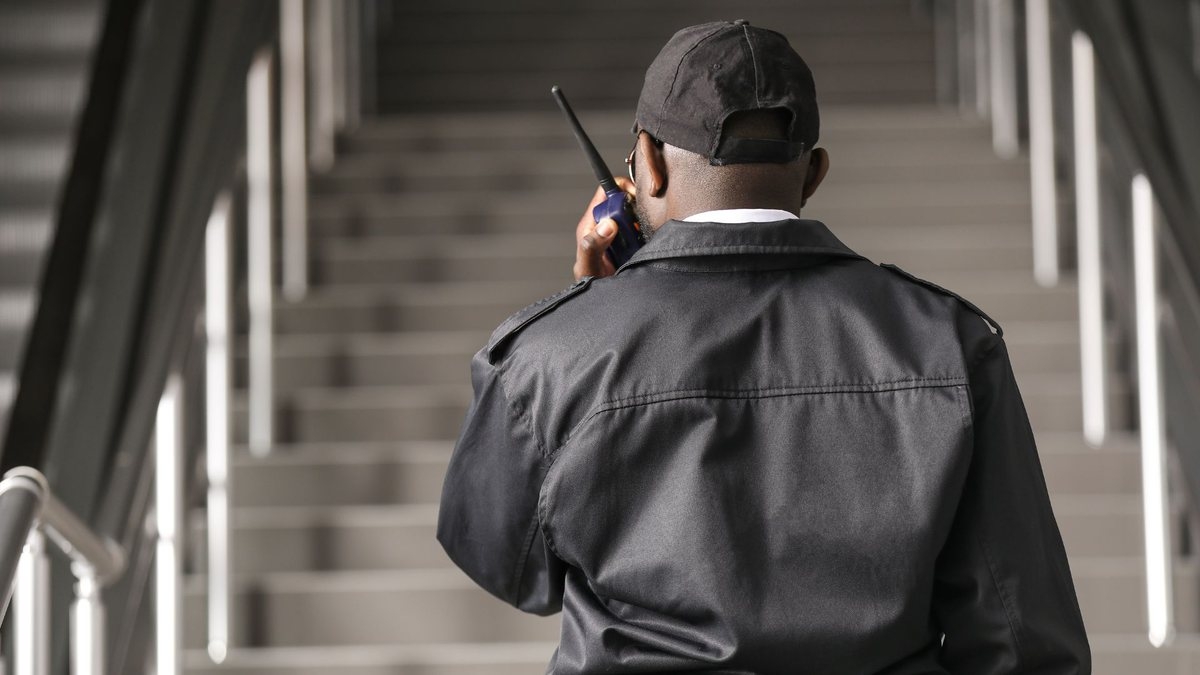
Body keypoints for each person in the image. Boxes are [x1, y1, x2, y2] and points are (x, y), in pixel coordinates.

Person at [437, 19, 1092, 674]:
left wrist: (587, 316)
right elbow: (1024, 642)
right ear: (813, 174)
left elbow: (506, 562)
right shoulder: (952, 346)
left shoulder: (549, 356)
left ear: (650, 164)